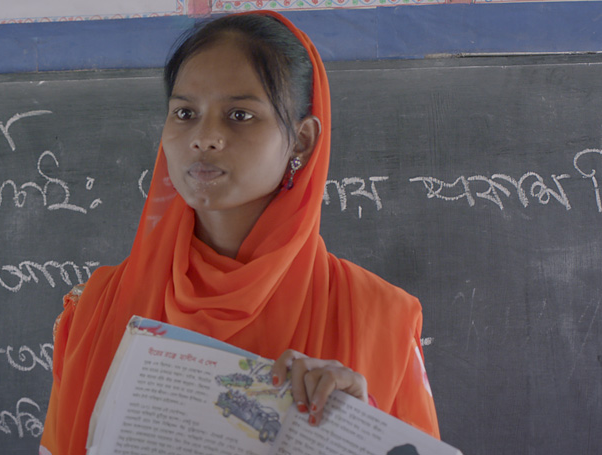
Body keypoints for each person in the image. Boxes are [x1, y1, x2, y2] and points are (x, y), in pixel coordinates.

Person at [40, 10, 439, 454]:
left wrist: (361, 427)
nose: (205, 137)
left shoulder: (379, 317)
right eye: (185, 112)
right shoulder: (94, 310)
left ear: (302, 141)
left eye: (239, 114)